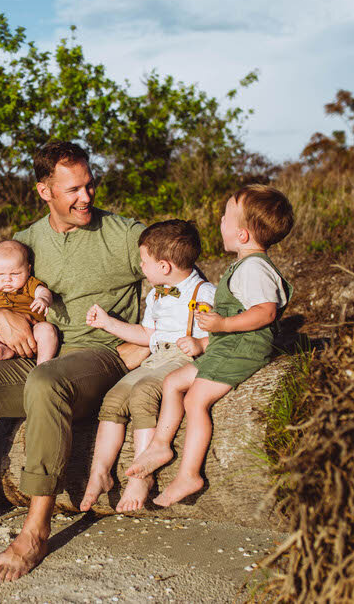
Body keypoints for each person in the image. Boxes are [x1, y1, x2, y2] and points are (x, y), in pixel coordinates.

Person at [0, 141, 145, 582]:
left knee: (45, 383)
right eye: (73, 189)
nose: (86, 197)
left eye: (89, 185)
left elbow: (179, 274)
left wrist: (152, 341)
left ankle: (36, 527)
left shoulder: (123, 234)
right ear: (45, 192)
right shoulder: (25, 242)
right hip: (40, 355)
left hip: (99, 356)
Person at [126, 184, 294, 507]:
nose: (220, 220)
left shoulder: (256, 267)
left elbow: (265, 312)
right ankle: (161, 444)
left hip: (241, 349)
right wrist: (207, 339)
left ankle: (190, 473)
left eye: (227, 216)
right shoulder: (245, 265)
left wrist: (223, 324)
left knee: (196, 400)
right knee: (174, 382)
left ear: (243, 234)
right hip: (226, 346)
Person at [79, 219, 215, 513]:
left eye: (144, 261)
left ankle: (142, 476)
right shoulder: (155, 294)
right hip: (155, 357)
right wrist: (107, 323)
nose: (141, 267)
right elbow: (147, 336)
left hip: (182, 359)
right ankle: (100, 472)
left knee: (143, 393)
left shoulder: (203, 293)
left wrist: (200, 343)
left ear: (164, 266)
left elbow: (219, 333)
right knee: (113, 398)